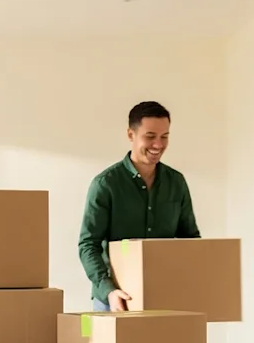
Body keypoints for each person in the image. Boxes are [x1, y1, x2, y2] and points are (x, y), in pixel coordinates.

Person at [78, 100, 200, 312]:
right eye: (150, 136)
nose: (158, 145)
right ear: (130, 135)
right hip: (115, 301)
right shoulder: (106, 184)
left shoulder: (176, 182)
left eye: (165, 137)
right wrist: (109, 290)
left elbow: (189, 239)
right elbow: (89, 245)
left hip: (164, 297)